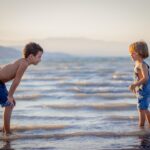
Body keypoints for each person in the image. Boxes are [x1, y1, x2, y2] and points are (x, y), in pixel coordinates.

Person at [0, 42, 43, 134]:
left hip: (1, 82)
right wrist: (10, 96)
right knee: (9, 104)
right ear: (31, 56)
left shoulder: (23, 62)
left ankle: (4, 129)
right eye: (39, 57)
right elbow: (16, 81)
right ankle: (7, 132)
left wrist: (10, 96)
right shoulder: (24, 64)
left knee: (11, 103)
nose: (40, 60)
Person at [129, 41, 150, 127]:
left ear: (139, 53)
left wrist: (134, 85)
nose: (131, 55)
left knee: (141, 109)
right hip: (141, 89)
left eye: (133, 53)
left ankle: (141, 127)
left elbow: (145, 78)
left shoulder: (142, 65)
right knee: (143, 108)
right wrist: (136, 88)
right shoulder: (137, 63)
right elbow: (138, 78)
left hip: (144, 90)